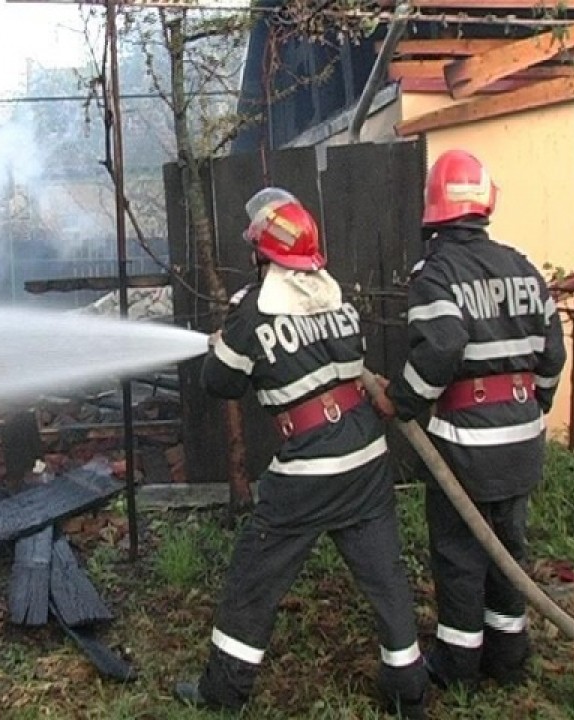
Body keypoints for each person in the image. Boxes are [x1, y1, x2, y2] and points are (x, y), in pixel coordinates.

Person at [174, 188, 428, 717]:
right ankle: (409, 693)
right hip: (366, 458)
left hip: (311, 470)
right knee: (386, 578)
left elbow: (218, 382)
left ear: (262, 254)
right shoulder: (336, 298)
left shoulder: (254, 309)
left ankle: (223, 692)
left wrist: (228, 340)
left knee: (254, 576)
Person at [375, 149, 567, 690]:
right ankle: (508, 659)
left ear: (434, 212)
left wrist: (403, 401)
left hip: (468, 442)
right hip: (523, 439)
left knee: (460, 554)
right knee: (508, 549)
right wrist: (534, 404)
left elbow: (442, 346)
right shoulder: (523, 268)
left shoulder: (436, 276)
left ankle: (458, 669)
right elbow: (552, 356)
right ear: (484, 204)